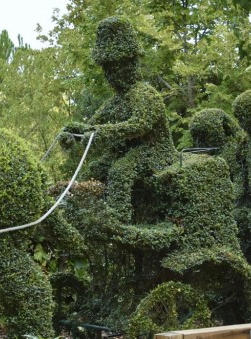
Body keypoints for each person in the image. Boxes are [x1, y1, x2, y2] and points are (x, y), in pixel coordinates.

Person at [64, 17, 176, 223]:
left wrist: (103, 132)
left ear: (131, 63)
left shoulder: (144, 94)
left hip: (154, 153)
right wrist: (74, 132)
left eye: (116, 67)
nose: (112, 74)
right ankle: (80, 213)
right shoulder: (115, 101)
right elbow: (93, 125)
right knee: (94, 170)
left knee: (120, 171)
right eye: (108, 69)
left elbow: (140, 125)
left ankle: (118, 220)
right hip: (127, 153)